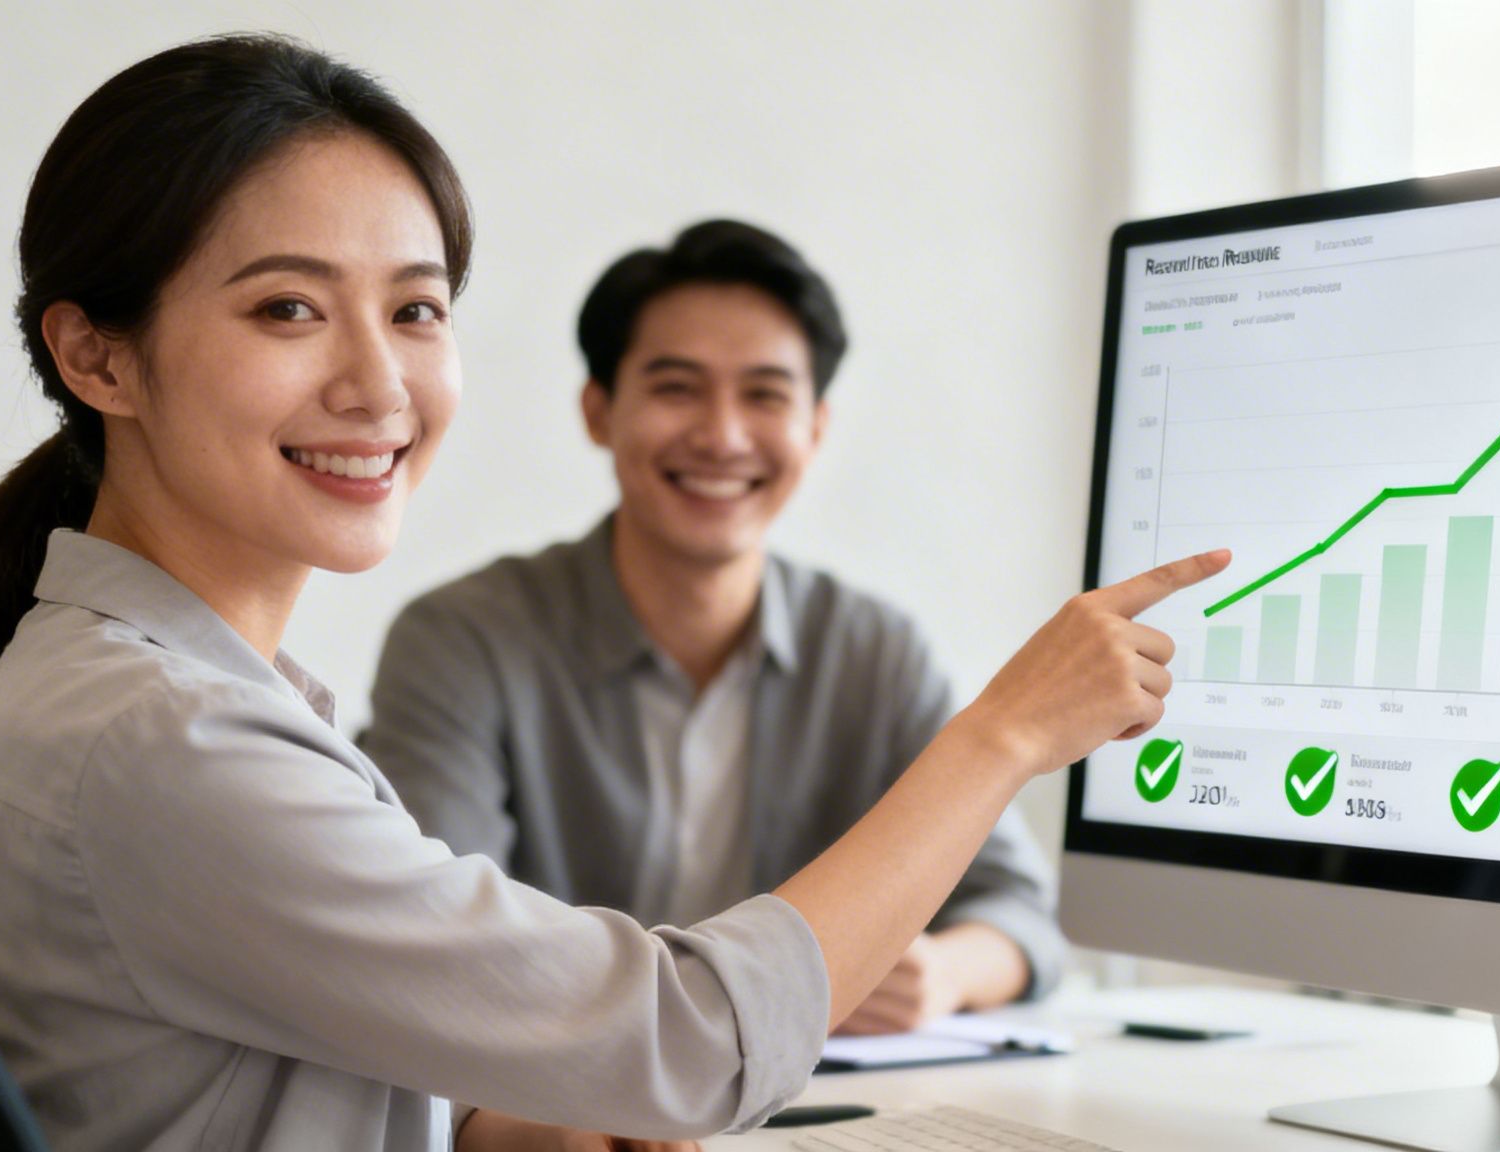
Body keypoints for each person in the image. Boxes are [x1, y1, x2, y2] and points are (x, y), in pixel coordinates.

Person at [0, 32, 1226, 1152]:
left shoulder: (156, 695)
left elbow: (316, 1037)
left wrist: (498, 1127)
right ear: (95, 354)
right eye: (289, 309)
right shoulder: (170, 740)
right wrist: (1003, 736)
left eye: (416, 310)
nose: (378, 384)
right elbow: (691, 1042)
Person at [361, 220, 1059, 1036]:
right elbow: (441, 937)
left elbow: (1020, 914)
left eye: (765, 394)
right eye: (677, 387)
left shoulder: (876, 652)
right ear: (599, 411)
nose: (723, 436)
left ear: (816, 428)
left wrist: (942, 971)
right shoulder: (462, 640)